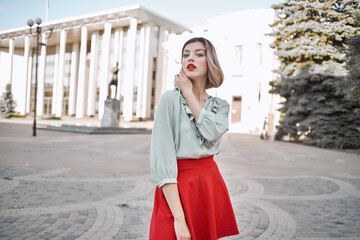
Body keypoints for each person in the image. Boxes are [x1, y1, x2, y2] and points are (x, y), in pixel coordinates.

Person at [149, 37, 239, 240]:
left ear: (210, 62)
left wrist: (189, 93)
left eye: (199, 54)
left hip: (208, 184)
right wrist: (179, 220)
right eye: (185, 54)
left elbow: (211, 133)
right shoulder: (169, 99)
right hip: (175, 186)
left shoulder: (220, 106)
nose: (190, 58)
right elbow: (162, 158)